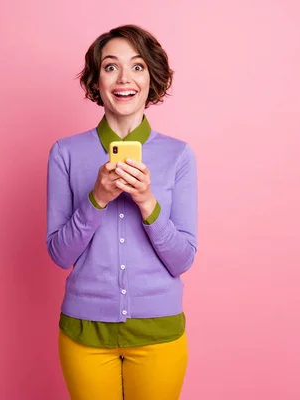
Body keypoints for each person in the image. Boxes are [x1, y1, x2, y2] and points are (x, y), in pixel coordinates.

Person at [45, 24, 198, 400]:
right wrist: (96, 197)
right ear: (96, 81)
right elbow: (59, 254)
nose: (124, 78)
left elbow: (183, 259)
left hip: (159, 334)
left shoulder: (178, 156)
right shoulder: (65, 153)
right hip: (85, 335)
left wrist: (147, 201)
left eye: (138, 66)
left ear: (152, 79)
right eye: (111, 66)